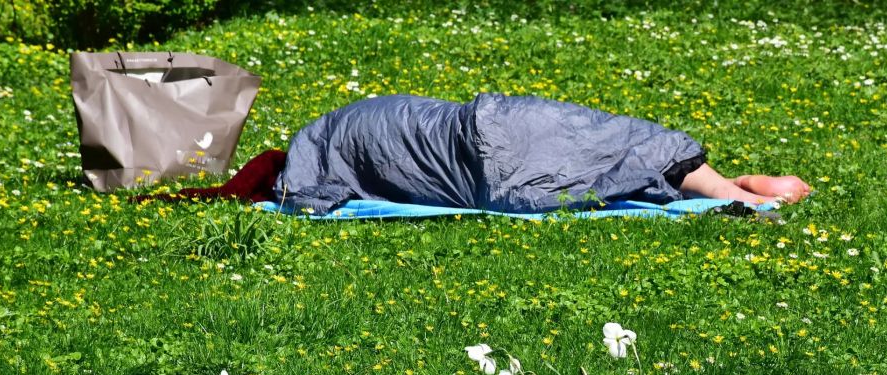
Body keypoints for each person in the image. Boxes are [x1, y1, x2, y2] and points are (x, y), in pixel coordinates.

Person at [136, 93, 810, 213]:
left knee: (568, 161)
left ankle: (733, 191)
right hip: (477, 123)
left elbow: (319, 188)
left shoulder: (325, 149)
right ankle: (731, 186)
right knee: (604, 142)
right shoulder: (335, 131)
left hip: (476, 138)